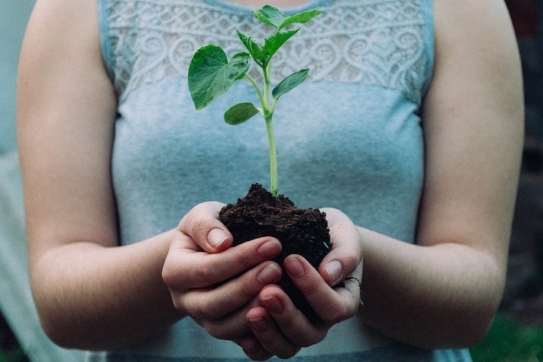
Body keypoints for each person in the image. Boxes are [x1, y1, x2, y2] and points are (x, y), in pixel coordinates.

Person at [16, 0, 523, 360]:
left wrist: (355, 260)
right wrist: (180, 270)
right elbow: (61, 300)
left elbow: (472, 301)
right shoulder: (79, 9)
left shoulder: (459, 9)